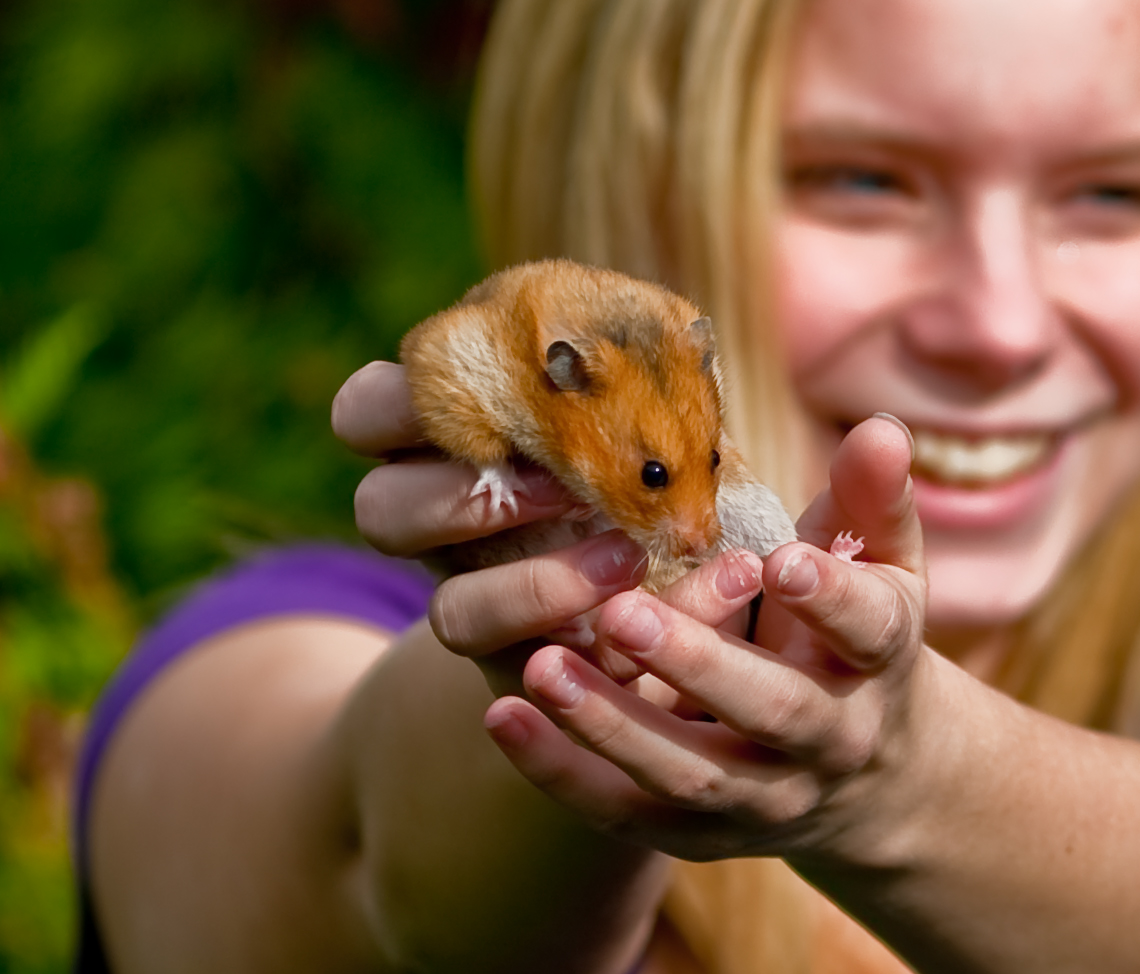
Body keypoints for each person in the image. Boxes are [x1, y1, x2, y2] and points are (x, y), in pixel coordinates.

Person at [74, 0, 1140, 971]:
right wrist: (582, 653)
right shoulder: (272, 649)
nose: (1000, 328)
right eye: (859, 179)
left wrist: (908, 769)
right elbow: (370, 869)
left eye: (1114, 191)